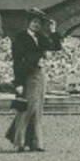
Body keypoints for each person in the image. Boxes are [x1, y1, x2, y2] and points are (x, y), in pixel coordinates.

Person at [6, 9, 62, 152]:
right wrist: (18, 82)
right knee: (26, 109)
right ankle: (19, 142)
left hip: (40, 75)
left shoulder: (41, 37)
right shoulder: (20, 37)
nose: (36, 25)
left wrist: (54, 31)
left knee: (38, 109)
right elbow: (17, 61)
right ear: (29, 22)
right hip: (27, 75)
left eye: (39, 23)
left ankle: (36, 143)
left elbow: (56, 46)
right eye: (34, 22)